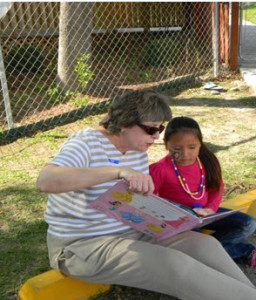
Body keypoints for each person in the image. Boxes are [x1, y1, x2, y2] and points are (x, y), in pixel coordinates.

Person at [37, 90, 256, 300]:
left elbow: (132, 202)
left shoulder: (136, 149)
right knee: (176, 266)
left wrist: (177, 216)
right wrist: (117, 172)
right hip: (82, 245)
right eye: (151, 129)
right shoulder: (86, 142)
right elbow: (46, 180)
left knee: (206, 246)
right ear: (125, 122)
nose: (157, 136)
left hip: (132, 230)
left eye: (160, 129)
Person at [149, 116, 256, 267]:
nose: (185, 154)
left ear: (200, 143)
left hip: (206, 214)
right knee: (196, 245)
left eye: (192, 147)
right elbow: (150, 200)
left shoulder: (208, 161)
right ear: (166, 145)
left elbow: (216, 188)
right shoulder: (159, 169)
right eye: (177, 149)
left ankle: (207, 254)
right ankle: (241, 251)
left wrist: (210, 209)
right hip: (181, 222)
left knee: (248, 224)